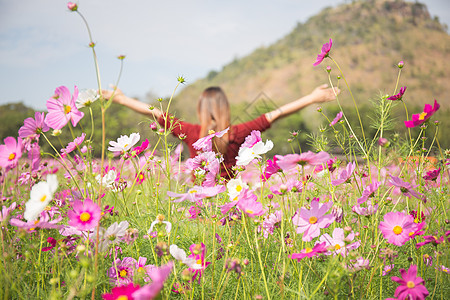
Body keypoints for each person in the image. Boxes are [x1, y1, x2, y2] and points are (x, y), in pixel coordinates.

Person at [103, 84, 340, 178]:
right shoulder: (238, 132)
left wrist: (123, 99)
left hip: (200, 204)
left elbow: (156, 114)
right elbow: (275, 114)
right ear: (225, 109)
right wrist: (311, 97)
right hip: (231, 202)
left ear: (200, 110)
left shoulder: (191, 133)